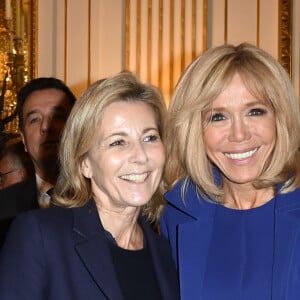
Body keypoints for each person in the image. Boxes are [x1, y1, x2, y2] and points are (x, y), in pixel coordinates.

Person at [0, 72, 180, 300]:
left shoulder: (166, 251)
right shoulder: (40, 236)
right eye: (118, 142)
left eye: (150, 137)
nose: (141, 156)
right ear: (84, 163)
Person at [160, 43, 300, 299]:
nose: (239, 134)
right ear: (194, 128)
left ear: (280, 118)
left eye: (255, 112)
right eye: (218, 117)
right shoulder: (177, 212)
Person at [0, 77, 76, 247]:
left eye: (57, 116)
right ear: (24, 140)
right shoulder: (3, 208)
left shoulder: (107, 198)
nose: (46, 127)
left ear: (77, 127)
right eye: (35, 119)